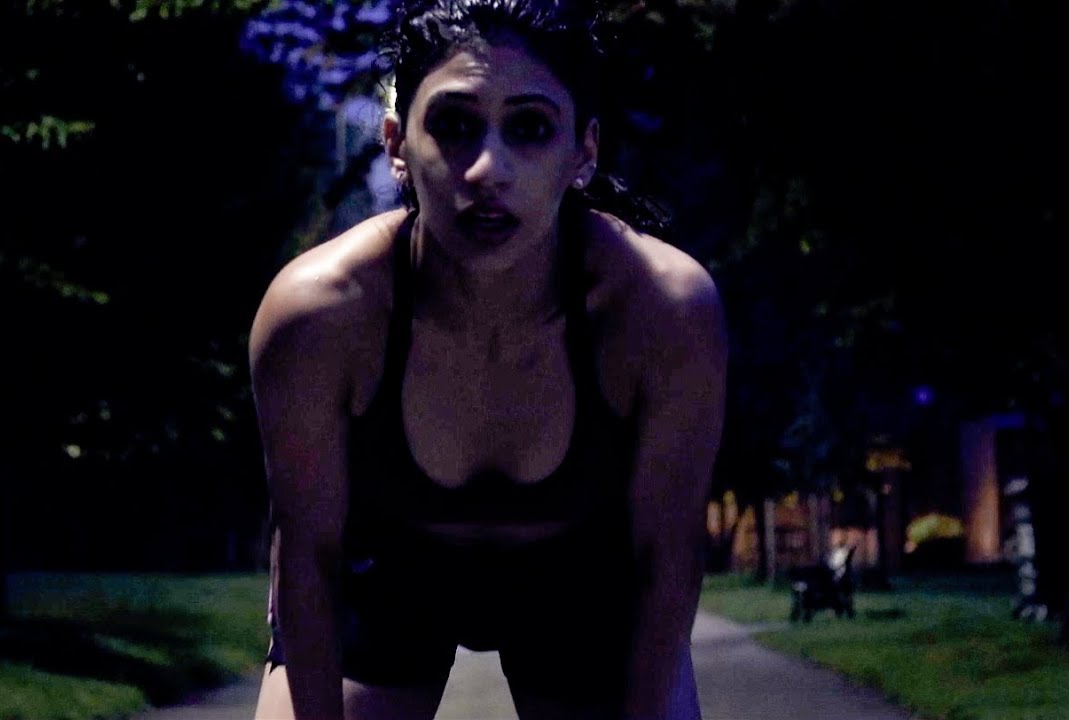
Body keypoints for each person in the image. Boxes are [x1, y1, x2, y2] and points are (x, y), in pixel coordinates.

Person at [248, 0, 726, 717]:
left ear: (584, 152)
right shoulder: (320, 313)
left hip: (581, 587)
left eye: (530, 128)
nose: (487, 170)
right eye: (453, 125)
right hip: (387, 580)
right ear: (397, 144)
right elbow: (308, 558)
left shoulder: (661, 308)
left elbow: (668, 559)